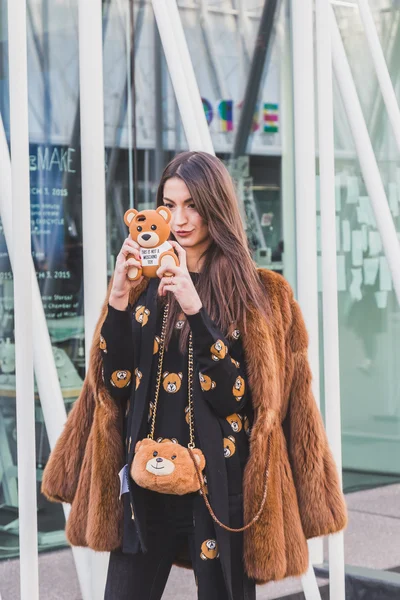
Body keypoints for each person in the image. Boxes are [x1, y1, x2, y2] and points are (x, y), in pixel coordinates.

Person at [42, 152, 347, 600]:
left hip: (218, 491)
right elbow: (117, 385)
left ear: (216, 207)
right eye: (169, 204)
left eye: (193, 205)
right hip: (144, 484)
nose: (179, 219)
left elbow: (233, 398)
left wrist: (195, 310)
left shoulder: (256, 294)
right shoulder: (143, 284)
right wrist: (119, 301)